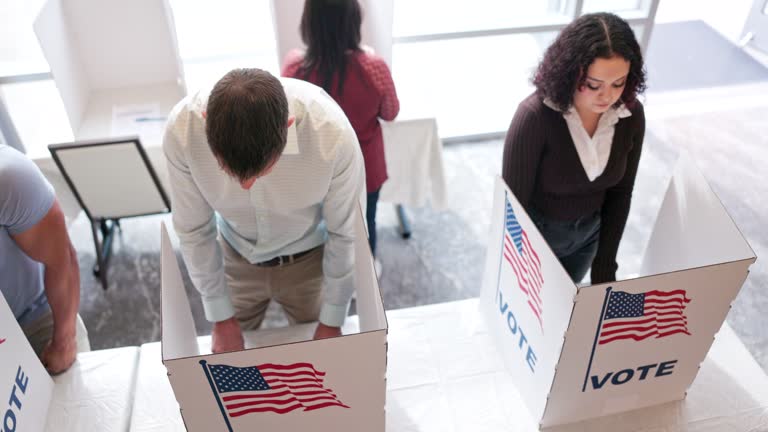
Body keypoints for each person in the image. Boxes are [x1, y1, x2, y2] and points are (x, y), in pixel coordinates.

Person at [163, 68, 365, 353]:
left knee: (325, 361)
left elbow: (347, 231)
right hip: (235, 255)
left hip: (310, 262)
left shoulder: (332, 135)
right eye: (228, 170)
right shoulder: (182, 131)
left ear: (288, 126)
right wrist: (220, 315)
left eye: (261, 171)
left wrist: (333, 318)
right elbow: (193, 229)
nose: (246, 186)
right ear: (206, 124)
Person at [502, 12, 647, 284]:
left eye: (619, 83)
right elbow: (513, 210)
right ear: (570, 74)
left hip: (588, 239)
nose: (608, 96)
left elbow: (621, 193)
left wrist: (605, 266)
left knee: (568, 311)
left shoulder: (630, 115)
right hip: (537, 240)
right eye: (594, 85)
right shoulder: (535, 117)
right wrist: (517, 270)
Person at [282, 0, 399, 260]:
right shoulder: (373, 67)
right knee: (366, 223)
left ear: (309, 23)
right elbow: (391, 113)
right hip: (365, 168)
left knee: (322, 227)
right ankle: (365, 276)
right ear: (353, 22)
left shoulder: (294, 69)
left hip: (316, 171)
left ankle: (329, 276)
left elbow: (287, 123)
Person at [0, 144, 89, 374]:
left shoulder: (8, 177)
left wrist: (63, 341)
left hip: (35, 325)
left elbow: (62, 260)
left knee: (77, 407)